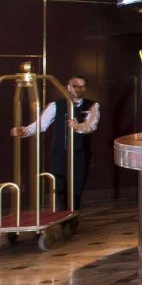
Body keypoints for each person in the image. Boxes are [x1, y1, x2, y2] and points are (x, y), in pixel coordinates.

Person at [11, 75, 99, 211]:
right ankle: (63, 216)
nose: (78, 89)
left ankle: (72, 217)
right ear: (67, 88)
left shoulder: (92, 105)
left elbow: (91, 125)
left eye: (81, 86)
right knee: (60, 186)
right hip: (59, 152)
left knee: (77, 187)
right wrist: (24, 131)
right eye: (75, 86)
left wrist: (78, 127)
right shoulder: (55, 105)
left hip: (79, 152)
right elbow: (41, 125)